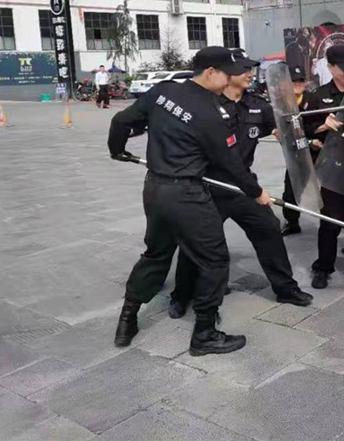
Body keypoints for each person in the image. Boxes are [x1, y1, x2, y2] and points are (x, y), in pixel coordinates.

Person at [107, 46, 272, 356]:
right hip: (187, 195)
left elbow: (120, 121)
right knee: (214, 260)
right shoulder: (212, 113)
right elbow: (232, 165)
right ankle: (204, 334)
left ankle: (127, 320)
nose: (230, 81)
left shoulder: (162, 91)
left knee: (156, 254)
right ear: (210, 72)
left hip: (155, 189)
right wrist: (256, 192)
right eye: (227, 75)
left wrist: (117, 150)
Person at [169, 50, 313, 317]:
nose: (250, 73)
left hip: (243, 185)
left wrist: (283, 132)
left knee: (268, 228)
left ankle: (286, 288)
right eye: (244, 69)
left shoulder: (258, 105)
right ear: (226, 72)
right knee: (195, 241)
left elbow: (282, 126)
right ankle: (181, 294)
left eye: (251, 68)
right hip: (207, 185)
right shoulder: (205, 103)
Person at [303, 44, 344, 289]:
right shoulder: (317, 96)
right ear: (330, 67)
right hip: (334, 166)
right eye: (343, 69)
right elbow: (304, 128)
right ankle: (323, 267)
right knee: (329, 219)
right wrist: (323, 125)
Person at [281, 64, 308, 237]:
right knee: (290, 191)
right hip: (296, 154)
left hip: (318, 151)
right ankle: (292, 222)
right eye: (293, 81)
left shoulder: (313, 99)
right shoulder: (280, 103)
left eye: (301, 80)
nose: (298, 84)